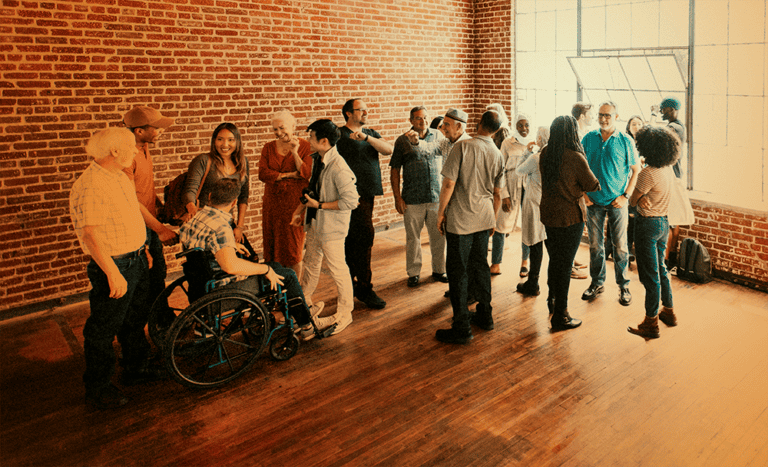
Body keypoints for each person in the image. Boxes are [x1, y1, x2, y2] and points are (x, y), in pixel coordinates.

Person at [70, 127, 160, 409]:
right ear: (115, 152)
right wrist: (112, 273)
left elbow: (131, 212)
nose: (136, 151)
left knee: (134, 318)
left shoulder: (118, 176)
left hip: (134, 258)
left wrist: (143, 247)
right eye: (131, 146)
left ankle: (135, 368)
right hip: (115, 265)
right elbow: (91, 236)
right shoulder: (91, 186)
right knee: (103, 328)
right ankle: (97, 389)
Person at [180, 178, 335, 340]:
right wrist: (265, 270)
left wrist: (229, 246)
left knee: (275, 265)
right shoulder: (221, 228)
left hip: (200, 284)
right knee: (287, 275)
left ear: (210, 196)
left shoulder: (195, 217)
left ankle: (300, 312)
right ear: (234, 203)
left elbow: (200, 247)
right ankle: (307, 325)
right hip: (222, 287)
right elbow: (230, 266)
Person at [434, 110, 505, 345]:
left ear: (479, 123)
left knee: (457, 271)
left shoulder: (462, 147)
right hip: (484, 218)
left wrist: (441, 212)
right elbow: (497, 194)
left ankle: (462, 325)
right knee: (480, 267)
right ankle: (485, 315)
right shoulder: (497, 153)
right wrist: (493, 219)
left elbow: (448, 183)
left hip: (462, 220)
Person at [291, 119, 359, 335]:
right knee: (311, 264)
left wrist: (319, 206)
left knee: (338, 270)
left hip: (332, 229)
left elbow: (351, 201)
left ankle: (345, 314)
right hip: (315, 224)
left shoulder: (339, 168)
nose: (308, 141)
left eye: (311, 137)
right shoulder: (318, 160)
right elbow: (312, 190)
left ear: (323, 141)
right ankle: (305, 304)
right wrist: (299, 211)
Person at [540, 116, 600, 332]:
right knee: (565, 265)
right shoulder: (575, 157)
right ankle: (561, 315)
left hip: (549, 214)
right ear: (573, 133)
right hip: (570, 217)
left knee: (555, 260)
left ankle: (552, 300)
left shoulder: (546, 152)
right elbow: (593, 184)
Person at [121, 106, 178, 332]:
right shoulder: (126, 158)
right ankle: (136, 339)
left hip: (150, 222)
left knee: (157, 274)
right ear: (138, 131)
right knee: (142, 283)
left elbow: (144, 188)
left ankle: (163, 318)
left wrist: (161, 208)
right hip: (137, 227)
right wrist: (160, 229)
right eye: (156, 128)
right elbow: (130, 201)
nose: (161, 131)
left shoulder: (144, 148)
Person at [581, 101, 641, 306]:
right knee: (596, 246)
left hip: (618, 202)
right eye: (600, 115)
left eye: (608, 115)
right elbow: (579, 167)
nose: (603, 118)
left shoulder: (625, 141)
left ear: (616, 117)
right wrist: (583, 194)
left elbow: (636, 170)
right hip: (594, 201)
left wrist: (626, 196)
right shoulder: (588, 138)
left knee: (621, 246)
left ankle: (623, 286)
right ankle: (597, 283)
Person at [336, 99, 393, 310]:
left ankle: (358, 286)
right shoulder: (339, 135)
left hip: (367, 195)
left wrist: (366, 137)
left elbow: (388, 149)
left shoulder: (370, 133)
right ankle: (359, 287)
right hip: (347, 195)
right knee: (355, 239)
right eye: (361, 110)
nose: (366, 112)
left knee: (361, 239)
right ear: (349, 113)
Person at [627, 126, 680, 339]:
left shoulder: (647, 174)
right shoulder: (668, 169)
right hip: (663, 224)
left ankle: (651, 322)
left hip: (647, 226)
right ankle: (669, 311)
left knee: (650, 277)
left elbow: (631, 200)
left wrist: (638, 198)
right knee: (661, 268)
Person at [390, 106, 448, 287]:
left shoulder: (438, 137)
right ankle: (414, 273)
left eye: (425, 118)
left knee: (438, 236)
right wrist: (397, 197)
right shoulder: (402, 140)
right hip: (412, 198)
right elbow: (394, 170)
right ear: (411, 121)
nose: (422, 121)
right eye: (418, 118)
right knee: (413, 238)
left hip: (436, 197)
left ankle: (439, 270)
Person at [258, 110, 313, 278]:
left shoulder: (306, 146)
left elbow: (306, 173)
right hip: (272, 204)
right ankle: (276, 288)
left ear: (293, 126)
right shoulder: (268, 147)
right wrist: (287, 175)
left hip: (294, 204)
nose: (279, 133)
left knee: (294, 249)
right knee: (272, 246)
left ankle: (295, 290)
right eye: (275, 129)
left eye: (282, 128)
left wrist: (295, 152)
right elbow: (263, 174)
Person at [181, 123, 250, 245]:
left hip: (226, 223)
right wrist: (192, 212)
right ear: (214, 141)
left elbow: (243, 197)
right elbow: (190, 190)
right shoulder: (203, 160)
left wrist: (239, 227)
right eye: (220, 139)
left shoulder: (243, 162)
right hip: (203, 223)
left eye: (230, 140)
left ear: (237, 142)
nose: (225, 145)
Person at [514, 126, 549, 296]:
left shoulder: (536, 158)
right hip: (549, 203)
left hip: (534, 202)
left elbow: (519, 170)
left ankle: (533, 281)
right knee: (545, 242)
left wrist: (526, 152)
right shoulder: (556, 157)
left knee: (536, 243)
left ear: (541, 140)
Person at [491, 109, 525, 277]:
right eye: (520, 125)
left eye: (527, 125)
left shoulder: (535, 143)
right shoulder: (507, 143)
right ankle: (496, 263)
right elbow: (500, 170)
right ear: (515, 126)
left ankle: (525, 262)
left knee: (529, 226)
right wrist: (504, 195)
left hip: (529, 187)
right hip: (510, 185)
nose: (524, 128)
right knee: (501, 225)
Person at [655, 97, 687, 268]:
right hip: (677, 177)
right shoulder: (681, 126)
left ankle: (665, 261)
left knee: (668, 220)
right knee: (674, 220)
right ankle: (671, 259)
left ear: (674, 109)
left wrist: (652, 118)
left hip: (671, 178)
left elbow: (657, 137)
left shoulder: (673, 127)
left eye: (664, 109)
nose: (662, 112)